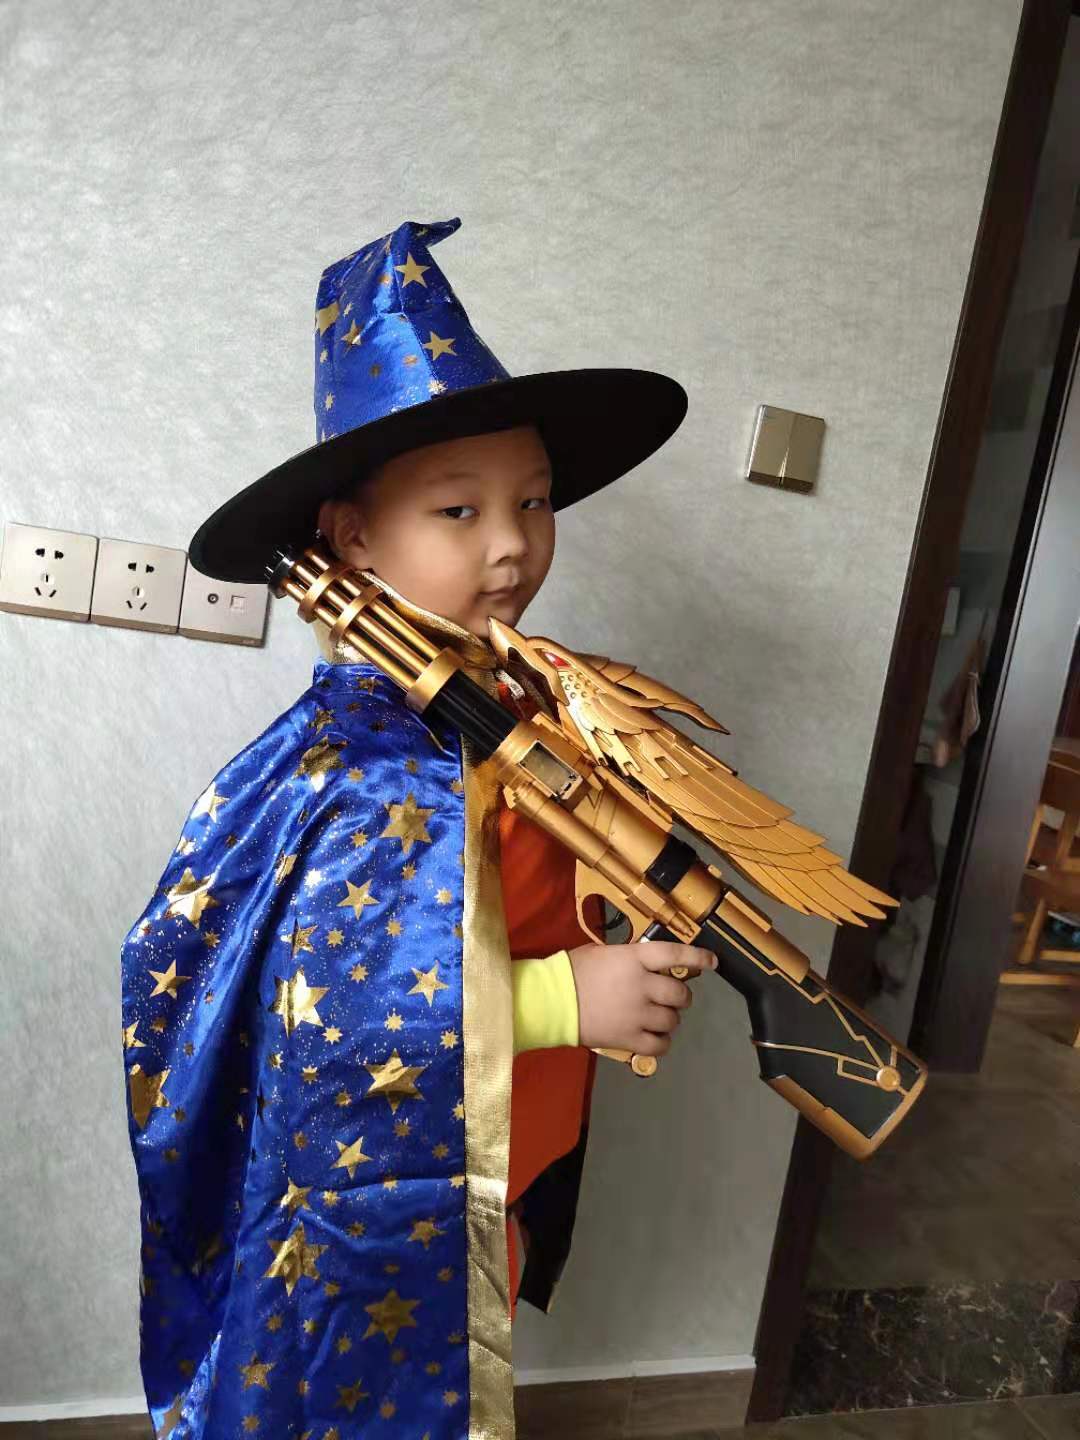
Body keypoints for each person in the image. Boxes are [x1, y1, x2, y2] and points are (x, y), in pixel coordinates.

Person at [121, 215, 712, 1440]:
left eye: (534, 500)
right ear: (351, 537)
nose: (513, 544)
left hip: (497, 1158)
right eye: (458, 510)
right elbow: (330, 1022)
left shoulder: (520, 711)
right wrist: (565, 999)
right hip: (388, 1193)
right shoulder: (352, 775)